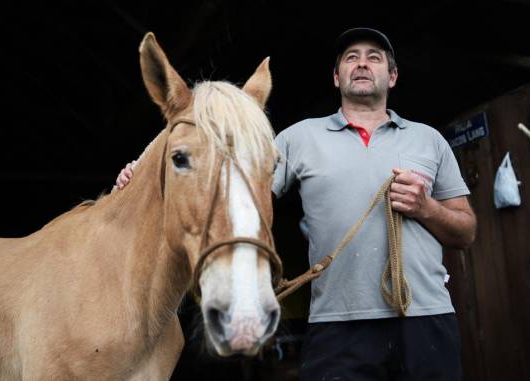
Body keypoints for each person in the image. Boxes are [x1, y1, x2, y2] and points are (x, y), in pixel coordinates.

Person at [116, 28, 477, 380]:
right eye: (351, 58)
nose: (362, 64)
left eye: (374, 58)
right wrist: (145, 175)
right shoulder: (297, 139)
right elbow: (224, 182)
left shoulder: (429, 140)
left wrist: (426, 207)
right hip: (337, 326)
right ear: (337, 78)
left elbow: (466, 231)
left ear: (393, 76)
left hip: (424, 319)